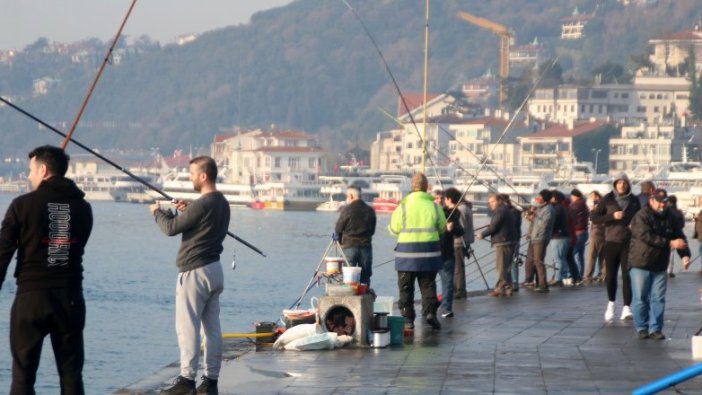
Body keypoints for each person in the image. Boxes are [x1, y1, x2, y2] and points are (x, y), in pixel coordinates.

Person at [0, 145, 93, 395]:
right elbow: (76, 245)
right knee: (71, 374)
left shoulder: (22, 205)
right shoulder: (84, 208)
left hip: (31, 297)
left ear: (43, 170)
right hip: (70, 298)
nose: (28, 176)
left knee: (23, 375)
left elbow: (3, 254)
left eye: (30, 170)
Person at [150, 156, 230, 395]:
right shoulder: (222, 203)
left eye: (193, 174)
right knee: (213, 329)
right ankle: (211, 381)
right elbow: (198, 225)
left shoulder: (202, 205)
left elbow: (170, 229)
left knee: (188, 327)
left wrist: (157, 212)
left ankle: (187, 380)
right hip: (215, 270)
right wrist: (184, 211)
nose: (191, 178)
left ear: (204, 176)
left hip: (194, 272)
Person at [628, 188, 689, 340]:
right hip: (640, 263)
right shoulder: (641, 216)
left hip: (660, 264)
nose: (662, 205)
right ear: (651, 201)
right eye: (659, 202)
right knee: (641, 298)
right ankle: (642, 327)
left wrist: (685, 255)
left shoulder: (671, 216)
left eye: (664, 202)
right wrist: (670, 243)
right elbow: (646, 236)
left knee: (658, 298)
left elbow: (679, 236)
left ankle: (656, 328)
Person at [389, 173, 446, 331]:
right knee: (428, 286)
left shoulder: (403, 207)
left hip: (406, 255)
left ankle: (408, 320)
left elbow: (394, 229)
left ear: (412, 187)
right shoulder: (435, 206)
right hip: (429, 254)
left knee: (406, 288)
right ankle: (430, 313)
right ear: (427, 187)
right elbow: (442, 228)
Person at [591, 174, 641, 322]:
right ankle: (611, 304)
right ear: (615, 184)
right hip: (611, 241)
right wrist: (612, 216)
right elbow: (594, 218)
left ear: (628, 185)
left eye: (624, 183)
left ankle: (626, 308)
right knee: (611, 275)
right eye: (619, 182)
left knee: (627, 276)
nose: (621, 185)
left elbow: (640, 217)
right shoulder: (607, 199)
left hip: (628, 242)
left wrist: (635, 225)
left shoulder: (634, 200)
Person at [334, 185, 376, 286]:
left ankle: (348, 298)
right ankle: (364, 297)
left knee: (349, 276)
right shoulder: (370, 211)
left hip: (349, 246)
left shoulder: (346, 210)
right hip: (365, 246)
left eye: (347, 196)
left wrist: (339, 241)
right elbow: (372, 230)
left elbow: (338, 228)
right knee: (365, 276)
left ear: (351, 196)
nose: (346, 198)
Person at [478, 194, 517, 297]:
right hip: (510, 240)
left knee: (501, 267)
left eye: (493, 202)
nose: (491, 204)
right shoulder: (507, 210)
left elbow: (494, 227)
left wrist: (482, 234)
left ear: (499, 201)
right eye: (490, 202)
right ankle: (508, 288)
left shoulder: (500, 211)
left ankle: (499, 288)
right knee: (506, 267)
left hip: (503, 242)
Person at [433, 188, 463, 318]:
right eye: (437, 198)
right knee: (429, 283)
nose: (440, 201)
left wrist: (452, 228)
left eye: (442, 198)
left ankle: (446, 308)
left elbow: (460, 230)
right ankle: (430, 306)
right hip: (433, 252)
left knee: (448, 282)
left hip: (446, 252)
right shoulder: (433, 212)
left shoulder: (451, 213)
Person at [444, 188, 473, 300]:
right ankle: (458, 289)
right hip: (464, 242)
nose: (445, 202)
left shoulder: (460, 209)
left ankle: (459, 290)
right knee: (458, 267)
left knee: (458, 268)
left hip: (458, 243)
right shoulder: (466, 207)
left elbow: (460, 228)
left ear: (450, 199)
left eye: (446, 199)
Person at [526, 189, 555, 292]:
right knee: (536, 261)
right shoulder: (541, 208)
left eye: (540, 196)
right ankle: (540, 282)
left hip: (541, 238)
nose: (537, 198)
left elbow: (543, 225)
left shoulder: (548, 209)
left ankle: (543, 284)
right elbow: (534, 220)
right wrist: (530, 214)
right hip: (536, 237)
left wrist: (534, 217)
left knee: (539, 261)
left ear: (545, 198)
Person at [584, 191, 605, 283]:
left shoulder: (597, 206)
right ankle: (603, 275)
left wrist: (592, 209)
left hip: (597, 232)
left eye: (592, 196)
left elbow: (593, 218)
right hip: (604, 233)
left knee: (592, 256)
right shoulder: (605, 205)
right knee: (602, 256)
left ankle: (588, 276)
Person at [664, 195, 689, 278]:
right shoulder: (679, 212)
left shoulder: (666, 211)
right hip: (677, 234)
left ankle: (665, 270)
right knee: (672, 254)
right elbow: (682, 224)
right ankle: (670, 271)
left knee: (667, 253)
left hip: (667, 234)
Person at [570, 189, 589, 280]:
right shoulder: (584, 203)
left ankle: (573, 275)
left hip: (578, 232)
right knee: (580, 255)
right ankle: (580, 274)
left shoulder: (576, 205)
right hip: (584, 232)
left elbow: (570, 216)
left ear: (574, 196)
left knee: (571, 254)